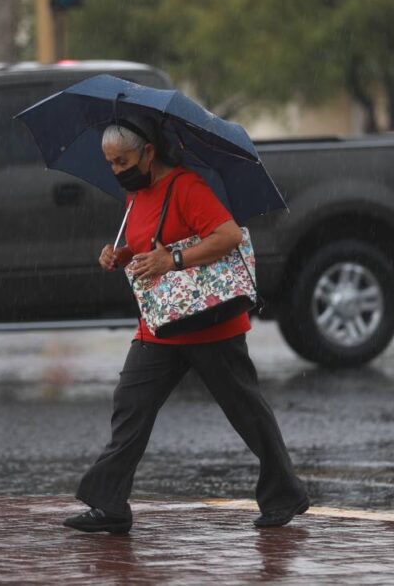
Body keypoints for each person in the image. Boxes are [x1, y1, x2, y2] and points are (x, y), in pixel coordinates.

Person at [62, 119, 309, 534]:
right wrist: (121, 256)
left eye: (122, 161)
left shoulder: (186, 187)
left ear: (148, 153)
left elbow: (228, 236)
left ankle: (285, 494)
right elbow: (149, 247)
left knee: (247, 413)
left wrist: (173, 261)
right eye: (110, 163)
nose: (116, 170)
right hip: (160, 324)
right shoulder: (135, 195)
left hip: (209, 323)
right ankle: (109, 503)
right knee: (130, 406)